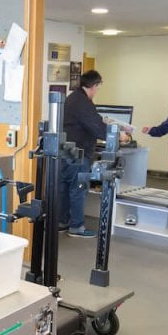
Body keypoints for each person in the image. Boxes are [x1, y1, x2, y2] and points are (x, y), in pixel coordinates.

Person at [59, 69, 106, 238]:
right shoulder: (83, 102)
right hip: (78, 151)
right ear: (93, 86)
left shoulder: (73, 98)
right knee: (79, 188)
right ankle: (77, 227)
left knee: (65, 187)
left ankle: (62, 221)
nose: (97, 91)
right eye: (98, 87)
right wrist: (117, 135)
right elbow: (96, 126)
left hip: (66, 149)